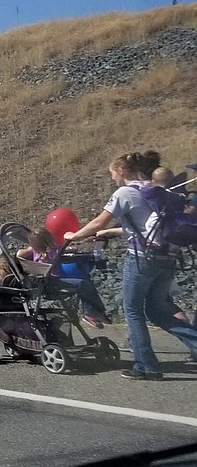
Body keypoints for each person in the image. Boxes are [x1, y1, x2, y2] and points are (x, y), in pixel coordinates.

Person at [65, 151, 197, 381]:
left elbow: (99, 220)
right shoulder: (155, 190)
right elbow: (146, 226)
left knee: (133, 310)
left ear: (122, 171)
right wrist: (108, 233)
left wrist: (73, 236)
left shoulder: (124, 192)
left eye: (113, 173)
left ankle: (146, 366)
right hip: (168, 258)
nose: (112, 178)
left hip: (141, 259)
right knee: (156, 311)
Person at [16, 227, 110, 328]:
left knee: (86, 281)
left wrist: (33, 248)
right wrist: (32, 248)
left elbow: (19, 253)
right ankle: (90, 313)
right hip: (51, 284)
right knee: (82, 284)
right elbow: (19, 254)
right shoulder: (50, 251)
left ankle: (96, 312)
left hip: (52, 281)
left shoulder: (46, 251)